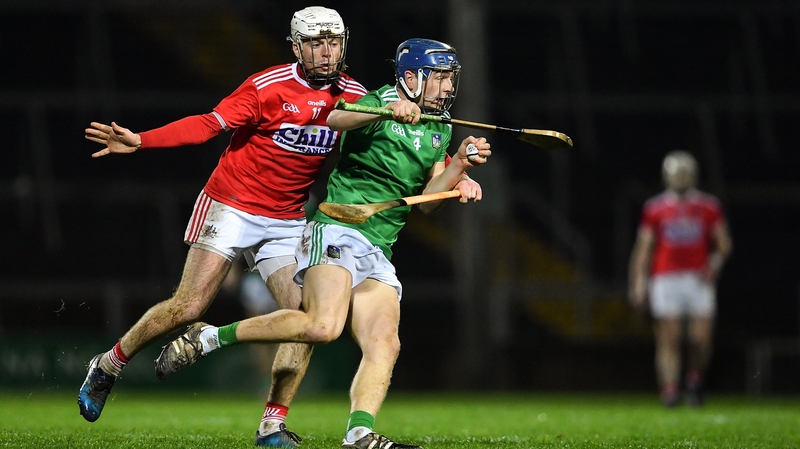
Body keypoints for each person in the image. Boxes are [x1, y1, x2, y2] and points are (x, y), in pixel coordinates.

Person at [155, 38, 491, 449]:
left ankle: (359, 435)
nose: (448, 86)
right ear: (410, 77)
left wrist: (459, 170)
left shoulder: (439, 125)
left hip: (379, 246)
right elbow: (336, 119)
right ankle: (208, 338)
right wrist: (387, 111)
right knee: (321, 326)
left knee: (385, 342)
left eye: (450, 78)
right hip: (339, 230)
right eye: (439, 77)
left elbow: (429, 202)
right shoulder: (376, 102)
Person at [78, 7, 368, 447]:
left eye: (333, 42)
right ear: (296, 48)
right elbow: (207, 125)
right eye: (315, 43)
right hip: (231, 205)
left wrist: (450, 164)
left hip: (287, 219)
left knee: (306, 321)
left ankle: (271, 426)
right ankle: (108, 365)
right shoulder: (267, 87)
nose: (326, 52)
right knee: (188, 307)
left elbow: (390, 147)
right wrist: (143, 140)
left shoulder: (355, 95)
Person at [628, 150, 732, 408]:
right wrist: (639, 281)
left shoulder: (708, 206)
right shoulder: (655, 208)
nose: (680, 178)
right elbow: (643, 248)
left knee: (700, 339)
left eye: (685, 173)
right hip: (665, 279)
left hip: (698, 280)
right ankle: (671, 390)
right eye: (676, 173)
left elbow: (724, 244)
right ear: (667, 176)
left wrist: (714, 263)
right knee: (669, 339)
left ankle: (695, 378)